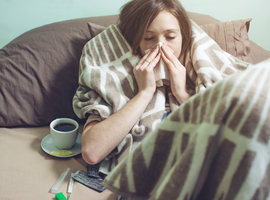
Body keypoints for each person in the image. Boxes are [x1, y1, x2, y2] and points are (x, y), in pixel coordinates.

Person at [79, 0, 193, 167]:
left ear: (184, 36)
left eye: (170, 37)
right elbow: (92, 151)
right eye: (148, 38)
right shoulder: (113, 79)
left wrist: (182, 94)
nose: (160, 46)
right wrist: (145, 93)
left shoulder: (199, 75)